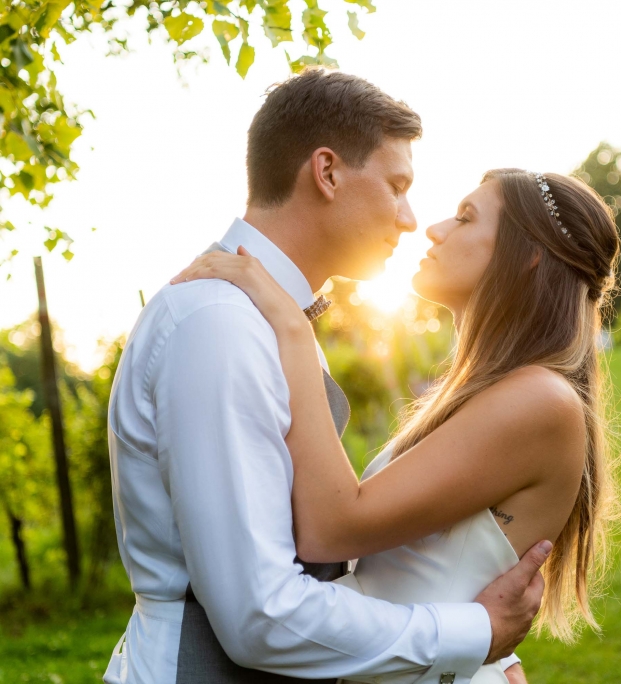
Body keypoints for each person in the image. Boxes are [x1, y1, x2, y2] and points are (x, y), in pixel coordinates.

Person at [104, 70, 549, 684]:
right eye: (397, 186)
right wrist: (475, 633)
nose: (410, 218)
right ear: (328, 172)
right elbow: (260, 614)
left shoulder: (264, 319)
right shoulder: (219, 325)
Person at [171, 163, 621, 684]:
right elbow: (456, 581)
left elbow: (332, 528)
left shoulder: (540, 400)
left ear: (527, 256)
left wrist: (291, 326)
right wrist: (495, 650)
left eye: (464, 217)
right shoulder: (502, 392)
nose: (433, 229)